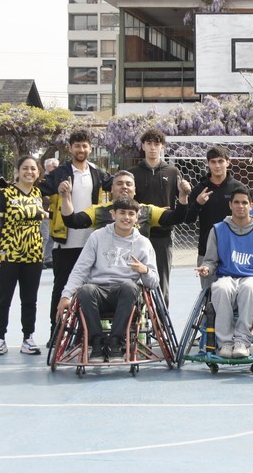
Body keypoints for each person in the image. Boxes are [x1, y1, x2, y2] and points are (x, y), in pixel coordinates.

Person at [57, 198, 159, 363]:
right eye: (122, 213)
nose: (126, 217)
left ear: (137, 217)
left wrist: (145, 270)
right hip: (98, 291)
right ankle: (97, 342)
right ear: (113, 214)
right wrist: (66, 295)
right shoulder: (97, 237)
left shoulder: (143, 243)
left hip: (125, 294)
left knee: (129, 286)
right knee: (86, 289)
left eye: (131, 214)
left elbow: (154, 282)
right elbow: (80, 269)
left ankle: (115, 343)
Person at [40, 130, 112, 344]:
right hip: (66, 242)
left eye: (85, 146)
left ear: (90, 148)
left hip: (91, 241)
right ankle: (56, 332)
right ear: (70, 148)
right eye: (77, 146)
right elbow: (38, 190)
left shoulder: (97, 172)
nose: (81, 150)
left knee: (89, 290)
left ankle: (84, 333)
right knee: (62, 288)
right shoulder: (59, 173)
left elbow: (119, 186)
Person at [195, 187, 253, 359]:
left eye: (244, 202)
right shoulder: (218, 229)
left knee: (250, 288)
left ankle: (242, 340)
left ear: (251, 205)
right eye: (236, 202)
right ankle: (226, 343)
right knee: (220, 288)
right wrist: (206, 268)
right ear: (230, 205)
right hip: (227, 276)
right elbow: (210, 261)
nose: (240, 206)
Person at [0, 155, 46, 356]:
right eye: (25, 168)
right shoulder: (5, 194)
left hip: (34, 254)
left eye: (33, 169)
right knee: (4, 298)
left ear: (38, 173)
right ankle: (0, 337)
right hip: (9, 254)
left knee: (30, 299)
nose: (29, 172)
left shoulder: (38, 193)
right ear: (18, 171)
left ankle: (28, 337)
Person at [128, 128, 188, 302]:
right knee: (134, 282)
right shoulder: (133, 173)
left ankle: (161, 324)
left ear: (163, 147)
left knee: (161, 284)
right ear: (143, 146)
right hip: (137, 236)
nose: (153, 147)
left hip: (163, 235)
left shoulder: (172, 172)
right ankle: (137, 323)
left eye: (156, 144)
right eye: (149, 144)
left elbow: (182, 203)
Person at [59, 170, 189, 240]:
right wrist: (65, 197)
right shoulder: (98, 210)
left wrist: (183, 196)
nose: (124, 187)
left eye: (128, 184)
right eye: (119, 183)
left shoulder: (146, 210)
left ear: (135, 190)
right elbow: (72, 221)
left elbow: (177, 218)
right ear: (112, 188)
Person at [185, 145, 244, 289]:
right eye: (213, 162)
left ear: (228, 162)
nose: (217, 165)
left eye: (220, 161)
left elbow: (247, 218)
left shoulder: (238, 188)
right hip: (206, 251)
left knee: (234, 296)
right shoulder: (200, 189)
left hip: (234, 251)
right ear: (208, 163)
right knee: (209, 298)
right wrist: (198, 203)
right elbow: (188, 220)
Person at [39, 157, 59, 269]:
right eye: (54, 166)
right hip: (44, 212)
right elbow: (41, 195)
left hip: (53, 213)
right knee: (44, 236)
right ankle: (40, 258)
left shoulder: (57, 178)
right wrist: (52, 198)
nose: (56, 169)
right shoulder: (43, 180)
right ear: (47, 167)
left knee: (51, 236)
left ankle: (48, 258)